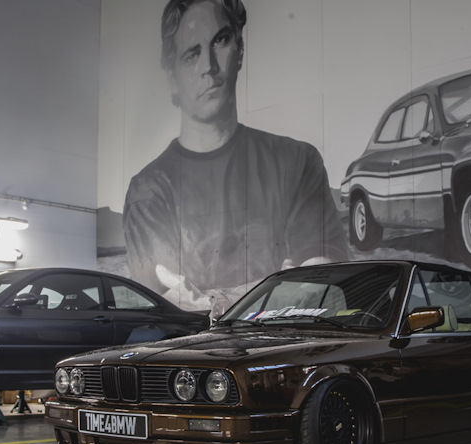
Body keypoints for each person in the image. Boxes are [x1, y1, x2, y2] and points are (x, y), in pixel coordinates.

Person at [123, 0, 347, 315]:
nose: (208, 66)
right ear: (172, 77)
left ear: (240, 50)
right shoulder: (148, 192)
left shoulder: (297, 162)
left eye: (221, 40)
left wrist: (218, 301)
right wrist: (282, 287)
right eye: (191, 54)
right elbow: (172, 309)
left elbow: (326, 288)